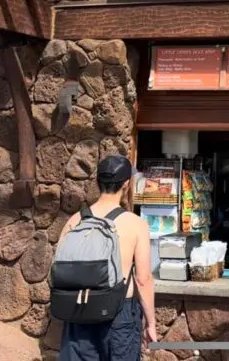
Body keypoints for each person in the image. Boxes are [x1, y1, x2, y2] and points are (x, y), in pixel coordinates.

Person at [58, 155, 158, 361]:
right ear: (127, 184)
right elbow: (143, 280)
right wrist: (151, 324)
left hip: (79, 313)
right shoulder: (135, 224)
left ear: (98, 182)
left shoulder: (74, 220)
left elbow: (59, 268)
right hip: (119, 315)